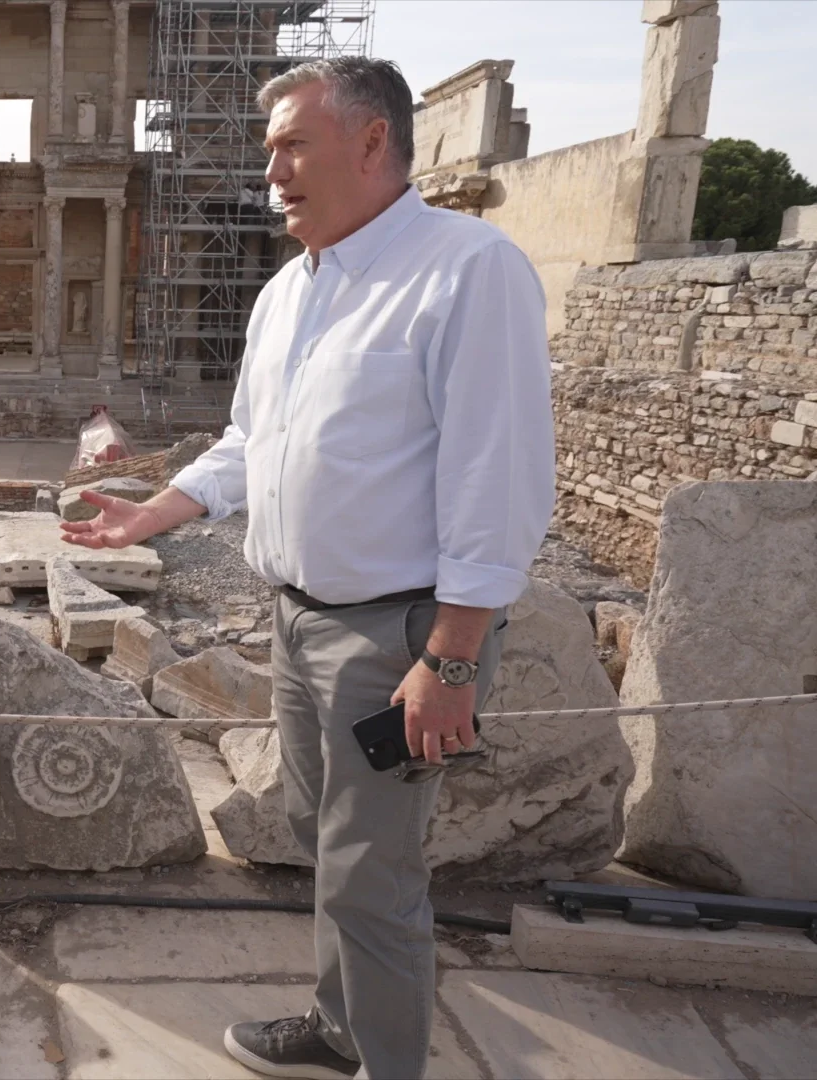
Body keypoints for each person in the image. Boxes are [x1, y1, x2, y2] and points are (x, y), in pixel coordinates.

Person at [61, 56, 555, 1080]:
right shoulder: (290, 289)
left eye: (293, 145)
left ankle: (385, 1061)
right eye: (269, 150)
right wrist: (155, 511)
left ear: (372, 142)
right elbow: (253, 441)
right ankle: (341, 1027)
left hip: (399, 634)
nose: (271, 171)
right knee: (319, 836)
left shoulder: (468, 269)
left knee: (373, 871)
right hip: (297, 617)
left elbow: (497, 474)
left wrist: (452, 659)